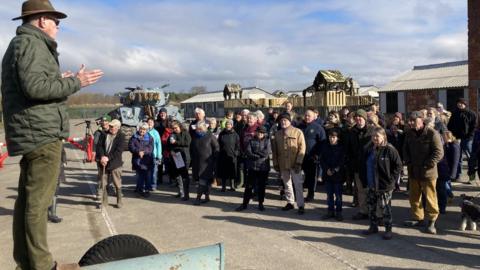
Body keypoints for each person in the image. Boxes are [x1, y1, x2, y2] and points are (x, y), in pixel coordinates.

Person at [1, 1, 104, 269]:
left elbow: (34, 84)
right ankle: (42, 265)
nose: (58, 26)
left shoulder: (22, 44)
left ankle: (26, 261)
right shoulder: (33, 44)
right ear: (42, 20)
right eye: (55, 20)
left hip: (33, 130)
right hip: (42, 133)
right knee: (38, 203)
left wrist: (60, 80)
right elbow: (35, 88)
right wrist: (75, 82)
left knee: (26, 202)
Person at [403, 111, 444, 234]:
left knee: (430, 198)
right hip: (413, 171)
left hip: (428, 172)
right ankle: (418, 218)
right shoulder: (409, 134)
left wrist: (428, 164)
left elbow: (439, 153)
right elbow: (405, 149)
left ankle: (432, 222)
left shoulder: (432, 133)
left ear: (421, 120)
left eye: (413, 120)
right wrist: (408, 161)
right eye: (409, 120)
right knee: (414, 197)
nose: (410, 123)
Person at [362, 127, 402, 240]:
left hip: (384, 185)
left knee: (385, 208)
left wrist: (392, 180)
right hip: (371, 184)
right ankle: (373, 226)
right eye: (373, 136)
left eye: (377, 136)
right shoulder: (369, 148)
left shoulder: (390, 149)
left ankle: (388, 229)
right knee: (371, 207)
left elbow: (398, 165)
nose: (375, 138)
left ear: (383, 136)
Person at [272, 113, 306, 214]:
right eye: (281, 121)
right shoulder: (277, 134)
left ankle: (300, 205)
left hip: (295, 163)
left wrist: (299, 162)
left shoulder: (297, 132)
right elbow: (275, 151)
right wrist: (275, 163)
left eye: (285, 120)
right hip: (283, 164)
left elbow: (302, 148)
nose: (283, 122)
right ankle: (290, 202)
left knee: (298, 185)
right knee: (287, 184)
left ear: (289, 121)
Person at [236, 126, 271, 211]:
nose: (260, 134)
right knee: (249, 186)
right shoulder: (251, 140)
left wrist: (255, 153)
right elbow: (248, 152)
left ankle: (260, 203)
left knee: (261, 187)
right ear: (256, 132)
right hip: (252, 167)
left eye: (262, 133)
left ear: (264, 134)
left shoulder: (267, 141)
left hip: (263, 168)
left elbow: (266, 153)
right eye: (258, 132)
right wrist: (256, 155)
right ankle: (244, 204)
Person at [346, 109, 372, 219]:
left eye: (360, 117)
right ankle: (363, 211)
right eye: (356, 117)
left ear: (365, 118)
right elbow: (349, 150)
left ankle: (375, 212)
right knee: (360, 190)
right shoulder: (351, 132)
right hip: (357, 165)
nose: (358, 119)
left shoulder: (372, 131)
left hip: (370, 166)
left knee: (372, 190)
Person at [96, 119, 125, 208]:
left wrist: (108, 158)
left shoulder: (121, 136)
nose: (110, 127)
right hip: (103, 162)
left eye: (112, 126)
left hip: (115, 163)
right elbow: (99, 146)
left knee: (117, 183)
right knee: (104, 182)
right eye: (110, 126)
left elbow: (118, 151)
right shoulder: (104, 134)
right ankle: (104, 201)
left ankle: (119, 201)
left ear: (118, 127)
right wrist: (102, 157)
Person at [190, 121, 219, 205]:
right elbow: (191, 148)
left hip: (207, 163)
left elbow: (216, 148)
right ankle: (207, 197)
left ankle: (198, 198)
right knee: (205, 181)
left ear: (204, 128)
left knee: (203, 181)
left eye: (200, 129)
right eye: (197, 129)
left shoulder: (210, 136)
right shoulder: (195, 136)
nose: (198, 131)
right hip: (197, 162)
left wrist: (214, 159)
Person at [447, 98, 477, 181]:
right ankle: (457, 175)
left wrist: (470, 136)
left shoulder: (471, 114)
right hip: (456, 138)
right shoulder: (455, 113)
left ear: (465, 104)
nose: (459, 104)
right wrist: (451, 136)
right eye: (458, 103)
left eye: (461, 103)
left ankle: (471, 176)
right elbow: (450, 125)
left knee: (470, 158)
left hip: (467, 139)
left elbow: (474, 126)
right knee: (457, 158)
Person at [300, 109, 326, 201]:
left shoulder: (318, 128)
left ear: (314, 116)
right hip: (300, 156)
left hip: (312, 157)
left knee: (311, 176)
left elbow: (322, 143)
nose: (307, 117)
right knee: (299, 176)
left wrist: (318, 155)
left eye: (309, 116)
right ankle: (298, 193)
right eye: (305, 115)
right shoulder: (300, 127)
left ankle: (310, 194)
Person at [320, 128, 345, 221]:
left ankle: (339, 212)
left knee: (338, 196)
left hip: (337, 176)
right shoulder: (325, 147)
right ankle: (330, 211)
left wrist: (334, 170)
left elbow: (342, 162)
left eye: (334, 137)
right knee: (329, 195)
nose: (332, 139)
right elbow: (322, 160)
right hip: (327, 175)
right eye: (330, 137)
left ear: (337, 138)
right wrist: (326, 169)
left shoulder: (341, 148)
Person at [167, 121, 192, 200]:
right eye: (173, 128)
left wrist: (175, 142)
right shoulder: (172, 134)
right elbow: (168, 145)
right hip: (176, 157)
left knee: (184, 175)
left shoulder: (185, 133)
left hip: (184, 157)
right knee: (177, 175)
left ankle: (186, 194)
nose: (175, 129)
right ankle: (181, 192)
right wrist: (171, 151)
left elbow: (187, 143)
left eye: (176, 128)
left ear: (180, 127)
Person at [437, 131, 460, 214]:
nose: (443, 138)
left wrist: (453, 173)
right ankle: (450, 196)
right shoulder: (447, 145)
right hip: (445, 170)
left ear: (448, 137)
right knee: (445, 186)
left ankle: (449, 198)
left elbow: (455, 161)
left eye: (444, 137)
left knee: (444, 187)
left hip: (448, 170)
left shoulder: (454, 146)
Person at [129, 123, 154, 197]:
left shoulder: (150, 137)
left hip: (147, 160)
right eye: (141, 129)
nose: (142, 131)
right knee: (139, 175)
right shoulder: (134, 137)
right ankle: (140, 189)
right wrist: (138, 151)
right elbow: (131, 146)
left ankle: (147, 190)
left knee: (147, 176)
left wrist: (144, 152)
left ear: (146, 130)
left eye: (144, 129)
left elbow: (150, 148)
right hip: (137, 160)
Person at [217, 119, 240, 192]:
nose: (228, 126)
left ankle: (232, 186)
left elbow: (238, 145)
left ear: (232, 125)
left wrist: (236, 153)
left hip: (232, 156)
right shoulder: (222, 134)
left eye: (229, 124)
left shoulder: (235, 134)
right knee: (223, 172)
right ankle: (223, 187)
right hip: (223, 155)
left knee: (232, 172)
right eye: (227, 124)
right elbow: (219, 144)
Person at [48, 145, 67, 223]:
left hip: (58, 170)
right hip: (47, 171)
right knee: (48, 193)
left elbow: (63, 152)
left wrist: (64, 162)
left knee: (55, 193)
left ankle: (52, 214)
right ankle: (49, 214)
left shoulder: (58, 142)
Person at [147, 117, 162, 191]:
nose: (149, 123)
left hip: (153, 155)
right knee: (146, 171)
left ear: (153, 124)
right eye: (148, 122)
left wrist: (159, 155)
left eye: (151, 122)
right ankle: (147, 185)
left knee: (154, 172)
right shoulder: (143, 131)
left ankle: (153, 185)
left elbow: (158, 144)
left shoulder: (155, 133)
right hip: (146, 155)